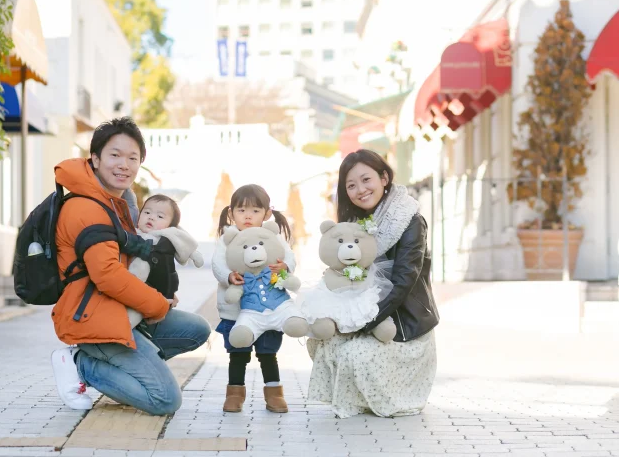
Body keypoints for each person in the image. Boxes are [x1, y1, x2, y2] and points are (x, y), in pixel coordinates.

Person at [49, 117, 211, 415]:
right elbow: (108, 276)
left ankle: (128, 367)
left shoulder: (118, 203)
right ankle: (80, 363)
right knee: (165, 400)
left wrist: (158, 295)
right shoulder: (87, 208)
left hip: (120, 310)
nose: (124, 164)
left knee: (197, 329)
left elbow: (134, 261)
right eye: (115, 155)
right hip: (93, 318)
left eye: (132, 158)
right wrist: (156, 306)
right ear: (95, 159)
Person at [307, 149, 440, 419]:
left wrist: (361, 322)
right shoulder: (354, 224)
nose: (361, 190)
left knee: (355, 354)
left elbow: (404, 282)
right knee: (324, 342)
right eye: (351, 185)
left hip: (402, 327)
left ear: (384, 178)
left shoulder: (409, 219)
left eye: (366, 180)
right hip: (368, 316)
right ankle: (359, 398)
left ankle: (395, 395)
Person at [212, 184, 296, 413]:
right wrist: (228, 276)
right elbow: (218, 263)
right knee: (238, 353)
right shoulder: (227, 239)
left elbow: (289, 257)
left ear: (267, 214)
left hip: (267, 309)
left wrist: (285, 266)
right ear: (231, 213)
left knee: (268, 353)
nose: (248, 216)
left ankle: (274, 393)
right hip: (236, 311)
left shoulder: (272, 236)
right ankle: (235, 393)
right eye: (241, 210)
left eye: (255, 210)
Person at [124, 194, 204, 327]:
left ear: (170, 225)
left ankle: (124, 328)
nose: (151, 217)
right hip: (134, 291)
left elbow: (184, 242)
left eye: (160, 216)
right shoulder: (134, 234)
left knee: (133, 315)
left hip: (158, 292)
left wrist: (193, 254)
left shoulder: (168, 237)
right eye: (147, 212)